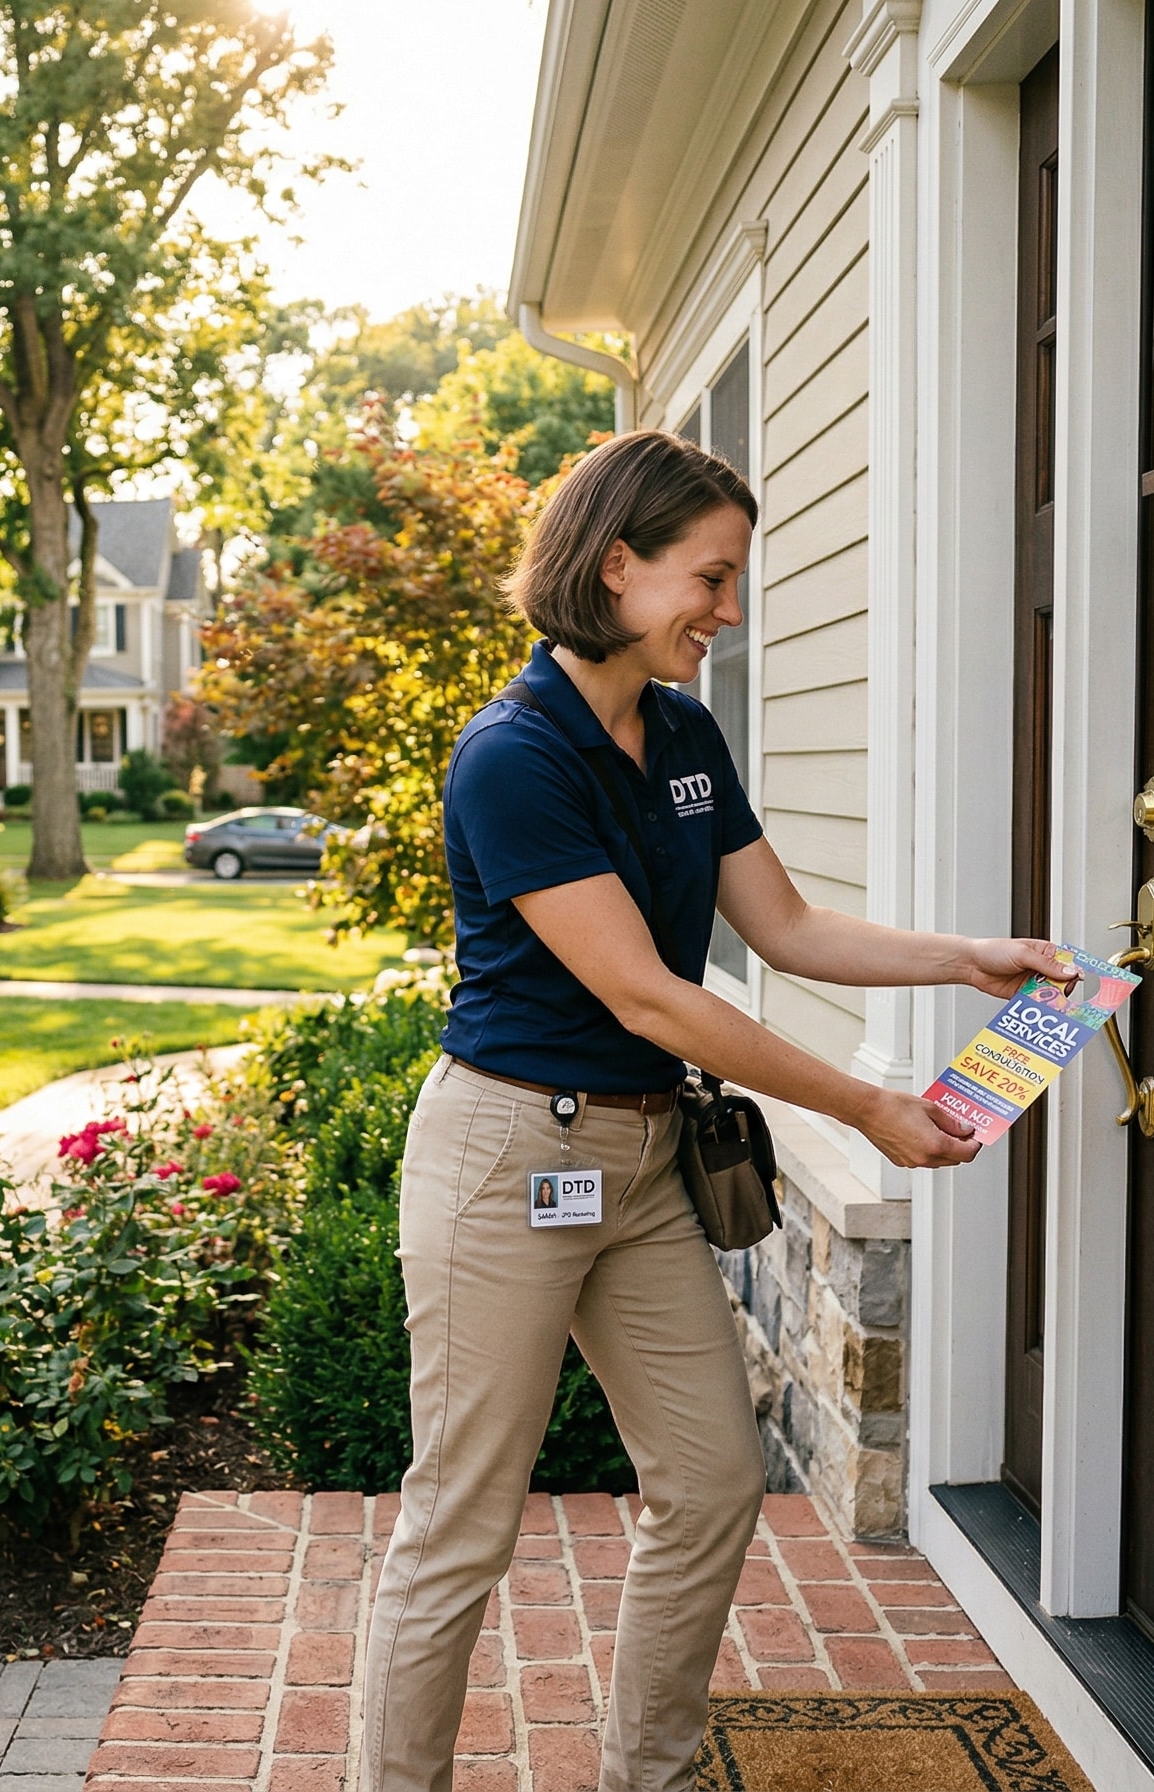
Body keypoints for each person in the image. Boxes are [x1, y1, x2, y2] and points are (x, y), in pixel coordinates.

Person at [359, 431, 1069, 1792]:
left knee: (712, 1481)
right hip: (511, 1156)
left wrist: (969, 956)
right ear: (613, 566)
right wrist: (867, 1105)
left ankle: (656, 1774)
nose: (728, 614)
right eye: (713, 578)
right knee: (462, 1523)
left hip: (635, 1166)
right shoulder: (514, 757)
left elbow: (785, 926)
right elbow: (654, 1000)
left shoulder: (682, 731)